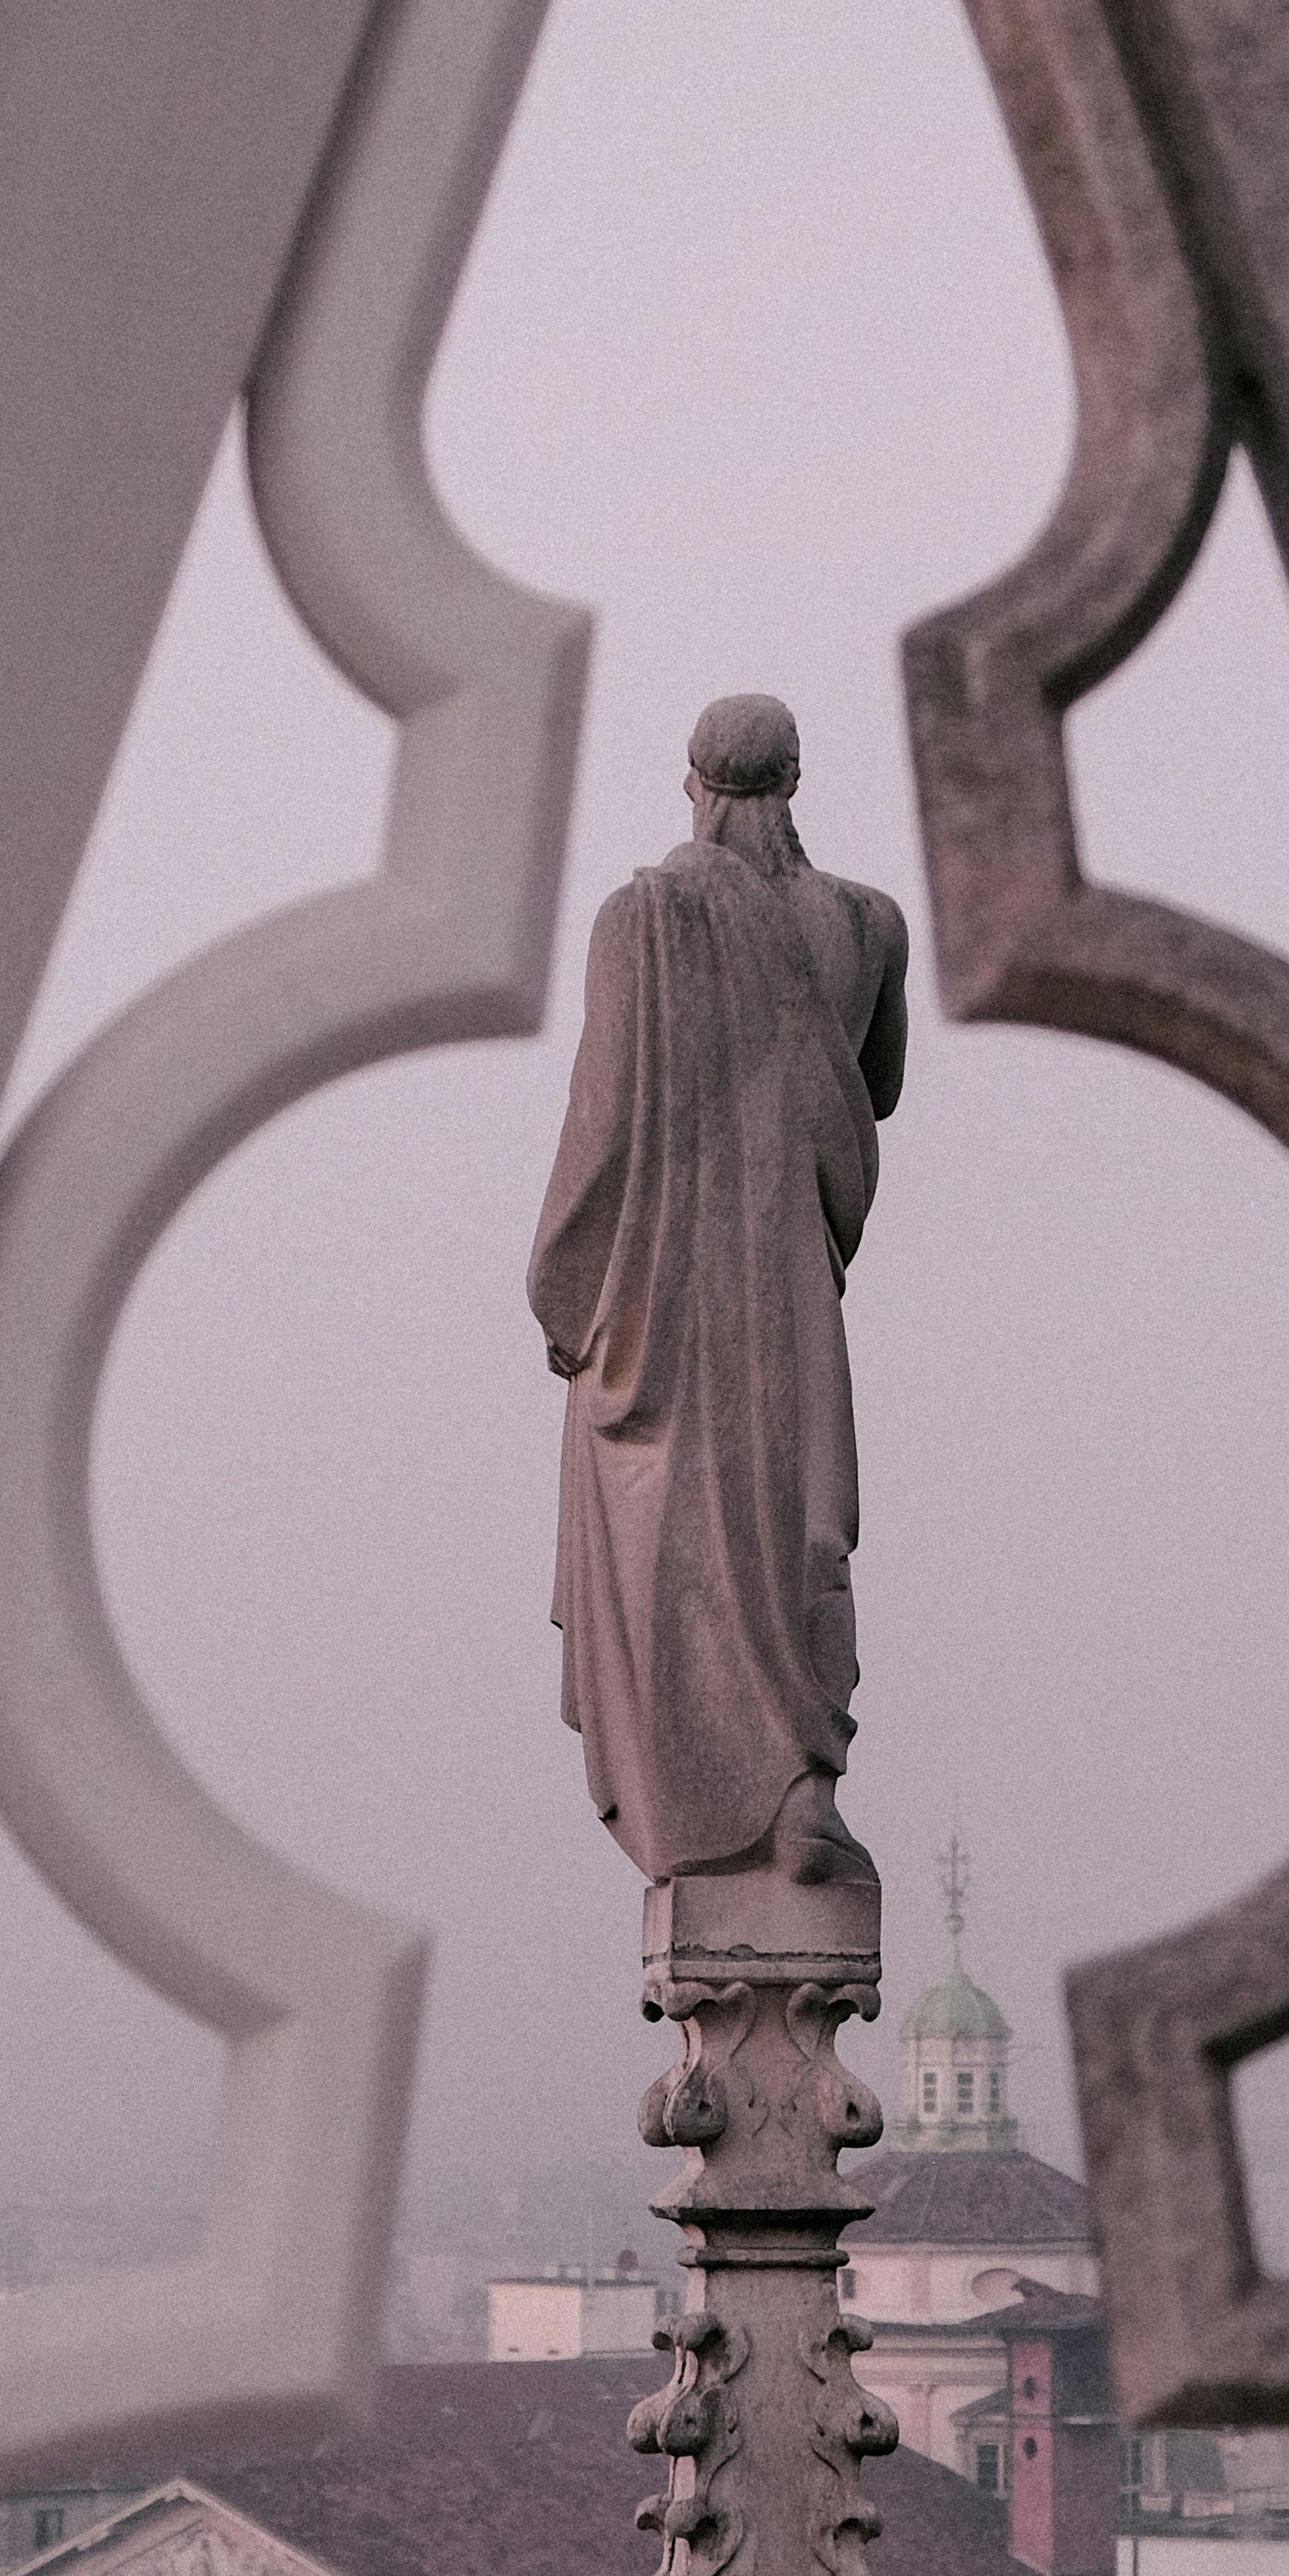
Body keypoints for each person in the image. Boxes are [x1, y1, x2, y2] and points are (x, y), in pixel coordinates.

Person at [529, 694, 909, 1890]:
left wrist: (563, 1287)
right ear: (795, 780)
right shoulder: (868, 924)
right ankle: (802, 1784)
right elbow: (875, 1087)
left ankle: (711, 1802)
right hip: (794, 1288)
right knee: (797, 1512)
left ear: (691, 784)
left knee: (677, 1539)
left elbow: (603, 1119)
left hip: (668, 1294)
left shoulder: (644, 915)